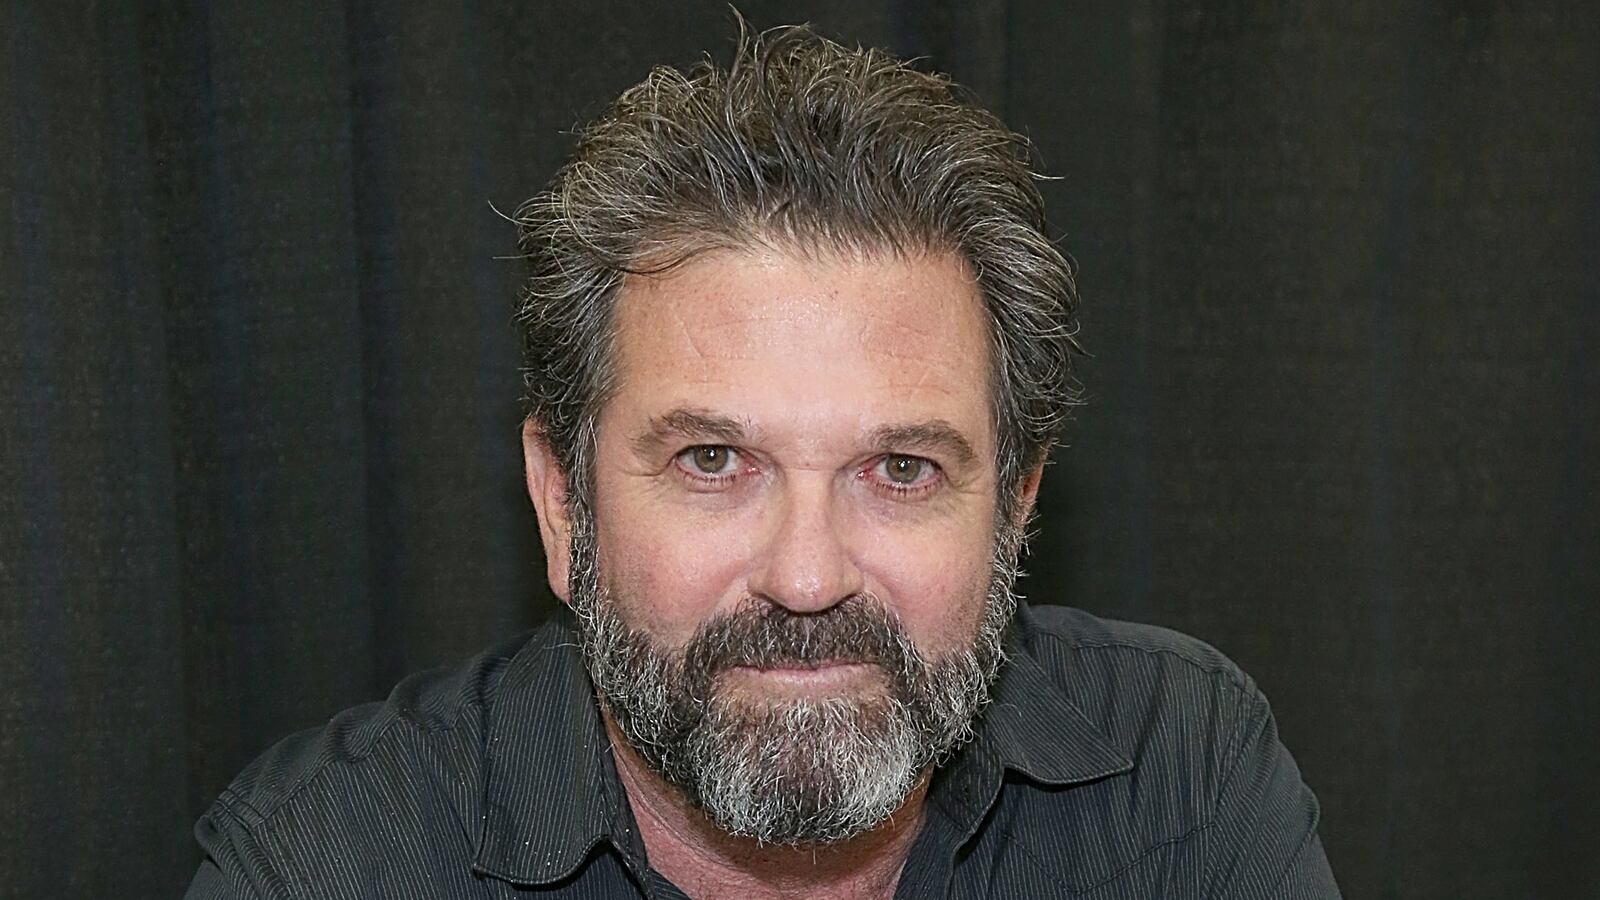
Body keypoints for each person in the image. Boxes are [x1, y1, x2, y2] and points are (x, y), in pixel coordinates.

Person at [186, 22, 1340, 900]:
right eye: (710, 460)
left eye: (900, 471)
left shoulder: (1181, 775)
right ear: (561, 506)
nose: (804, 577)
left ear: (1015, 512)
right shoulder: (327, 865)